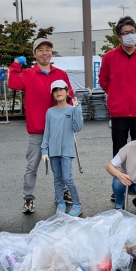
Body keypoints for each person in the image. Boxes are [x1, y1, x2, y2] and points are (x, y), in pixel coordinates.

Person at [8, 38, 74, 214]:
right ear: (34, 54)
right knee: (32, 166)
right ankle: (28, 198)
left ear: (51, 53)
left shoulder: (61, 74)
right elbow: (13, 83)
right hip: (37, 129)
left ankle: (62, 193)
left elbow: (71, 98)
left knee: (61, 165)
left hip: (60, 130)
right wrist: (15, 65)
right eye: (40, 50)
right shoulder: (28, 74)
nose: (45, 53)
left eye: (48, 49)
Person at [98, 16, 136, 202]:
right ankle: (119, 187)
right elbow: (104, 81)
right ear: (119, 37)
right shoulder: (109, 57)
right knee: (119, 150)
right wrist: (116, 95)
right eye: (125, 33)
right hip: (119, 112)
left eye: (132, 32)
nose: (130, 36)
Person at [41, 80, 84, 217]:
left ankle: (77, 204)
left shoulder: (72, 110)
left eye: (61, 89)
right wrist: (44, 150)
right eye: (55, 90)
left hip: (66, 150)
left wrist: (77, 109)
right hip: (53, 151)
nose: (58, 92)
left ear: (67, 92)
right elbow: (46, 132)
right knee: (57, 178)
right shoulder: (50, 112)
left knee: (67, 177)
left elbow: (77, 128)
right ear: (52, 94)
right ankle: (60, 202)